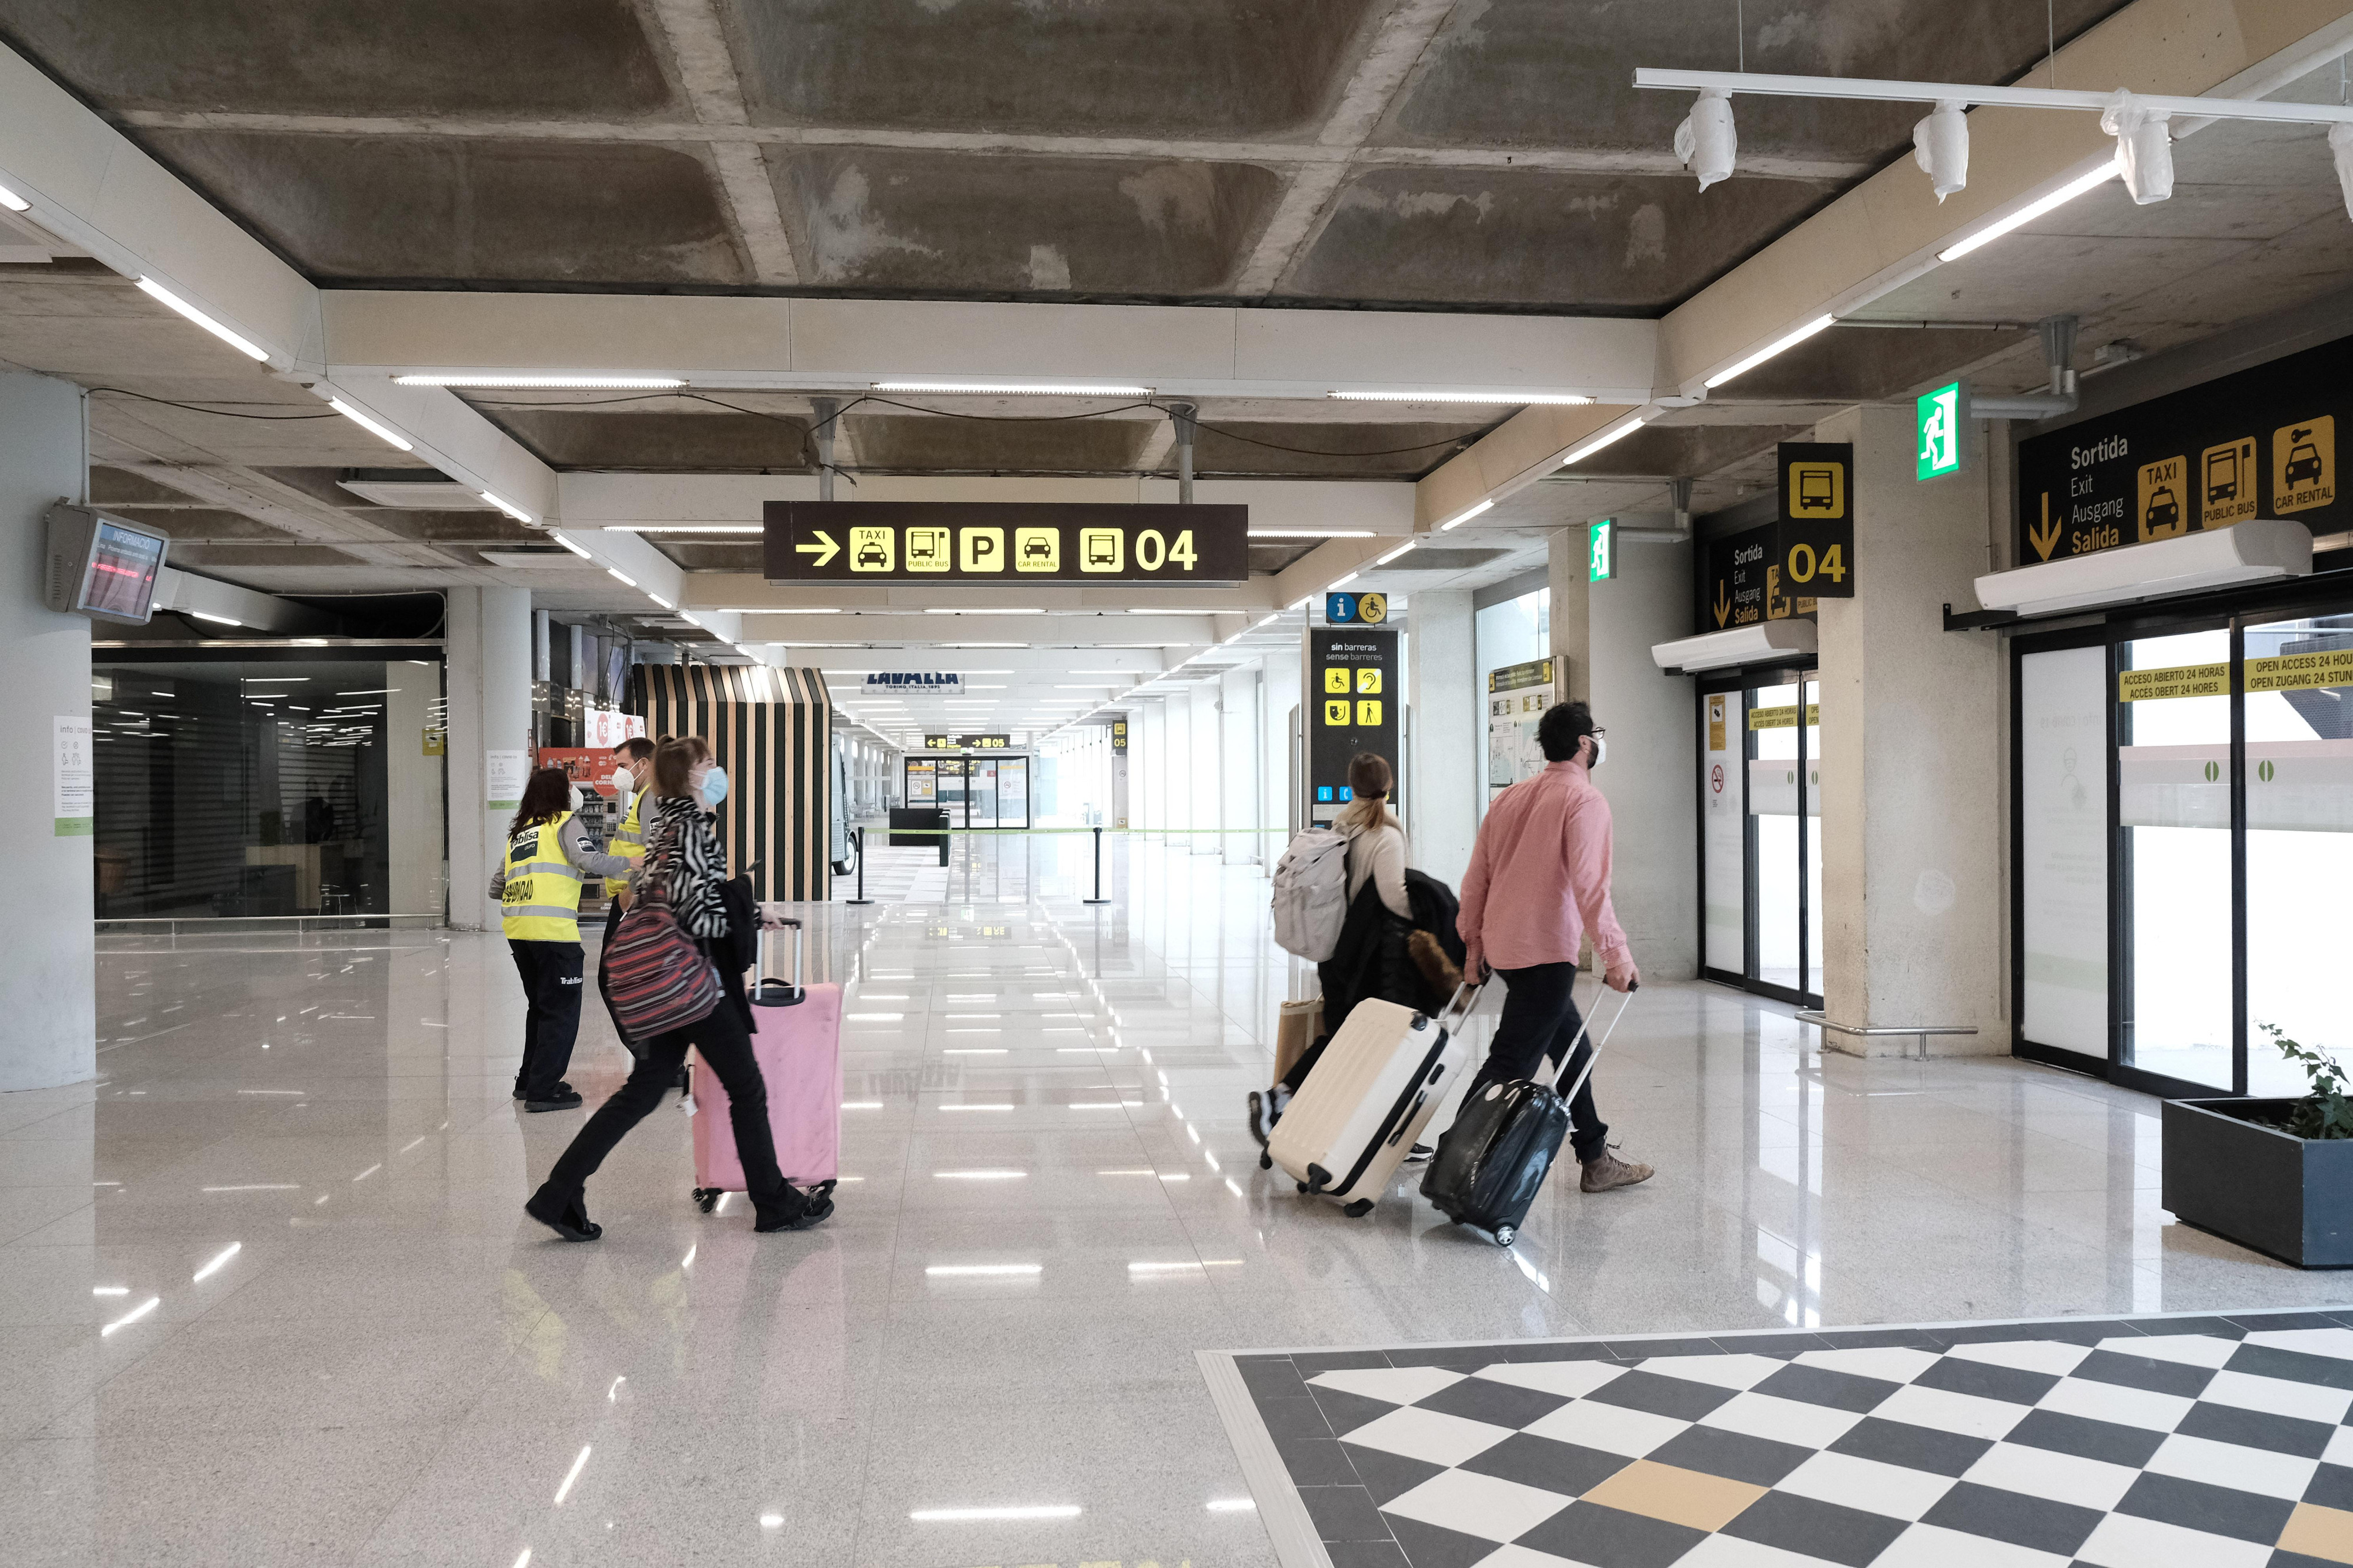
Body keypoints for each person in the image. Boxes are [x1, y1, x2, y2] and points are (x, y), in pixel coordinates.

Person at [526, 738, 833, 1240]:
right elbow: (700, 916)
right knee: (747, 1089)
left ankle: (558, 1192)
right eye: (709, 764)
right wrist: (746, 910)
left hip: (653, 985)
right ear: (690, 778)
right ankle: (774, 1202)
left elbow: (678, 897)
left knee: (640, 1094)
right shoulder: (691, 829)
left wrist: (751, 911)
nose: (717, 772)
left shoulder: (666, 826)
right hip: (687, 985)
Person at [1458, 700, 1653, 1194]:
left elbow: (1476, 879)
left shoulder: (1510, 798)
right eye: (1597, 734)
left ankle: (1594, 1155)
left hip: (1507, 948)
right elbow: (1591, 887)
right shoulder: (1584, 802)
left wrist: (1474, 946)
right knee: (1510, 1063)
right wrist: (1616, 957)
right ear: (1585, 744)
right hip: (1545, 952)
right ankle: (1456, 1159)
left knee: (1573, 1047)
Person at [1248, 752, 1465, 1149]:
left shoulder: (1343, 826)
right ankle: (1292, 1102)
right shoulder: (1385, 834)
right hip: (1376, 962)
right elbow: (1393, 897)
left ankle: (1282, 1099)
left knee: (1346, 1039)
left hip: (1339, 952)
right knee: (1386, 1046)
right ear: (1390, 784)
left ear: (1351, 787)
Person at [490, 766, 633, 1112]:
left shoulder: (521, 833)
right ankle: (544, 1090)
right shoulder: (565, 824)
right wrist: (633, 863)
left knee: (540, 1007)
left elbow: (496, 886)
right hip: (554, 933)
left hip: (519, 934)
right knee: (562, 1012)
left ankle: (528, 1080)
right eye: (569, 787)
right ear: (560, 794)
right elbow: (587, 858)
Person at [594, 737, 655, 1053]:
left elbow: (659, 853)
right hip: (630, 901)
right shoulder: (643, 797)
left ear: (642, 764)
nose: (618, 772)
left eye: (621, 765)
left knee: (611, 979)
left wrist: (630, 893)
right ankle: (656, 1056)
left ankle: (652, 1056)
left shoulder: (650, 798)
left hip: (633, 903)